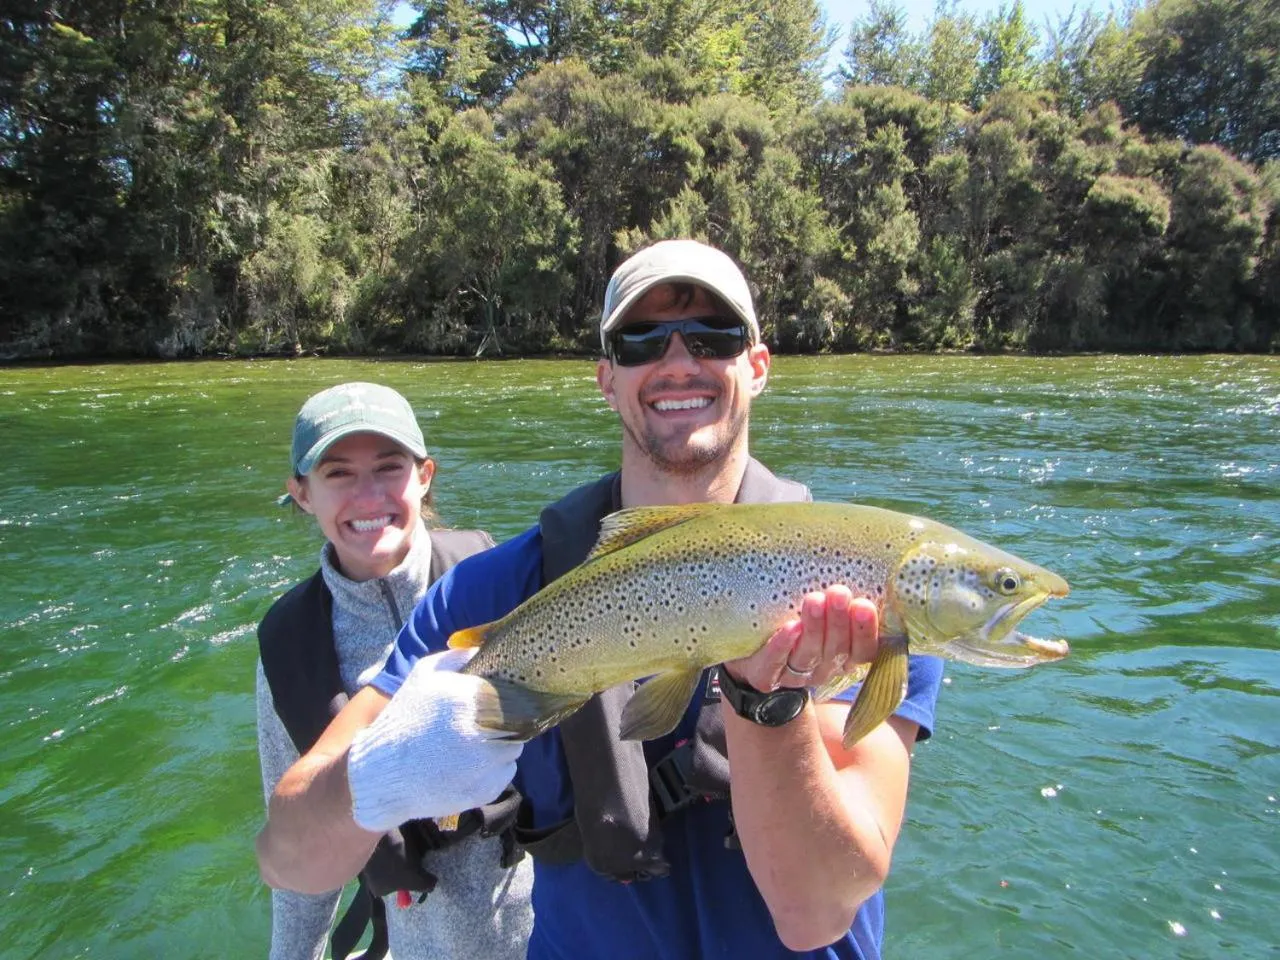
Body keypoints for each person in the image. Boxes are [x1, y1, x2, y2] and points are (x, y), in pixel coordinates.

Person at [257, 242, 944, 959]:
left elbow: (817, 913)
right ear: (607, 379)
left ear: (758, 367)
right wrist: (379, 772)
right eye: (642, 340)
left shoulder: (854, 589)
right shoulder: (487, 595)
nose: (678, 361)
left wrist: (770, 702)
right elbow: (290, 859)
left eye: (714, 335)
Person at [255, 382, 533, 960]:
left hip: (548, 927)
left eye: (389, 467)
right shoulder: (288, 649)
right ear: (301, 494)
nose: (368, 495)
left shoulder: (500, 582)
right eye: (337, 474)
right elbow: (302, 845)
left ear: (424, 475)